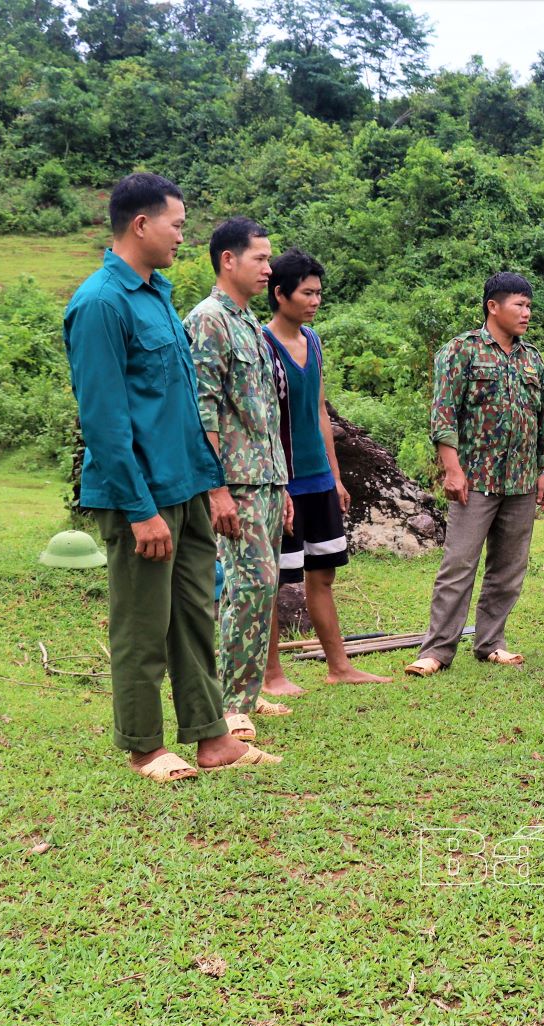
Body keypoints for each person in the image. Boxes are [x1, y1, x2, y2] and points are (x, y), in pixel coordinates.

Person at [63, 173, 278, 781]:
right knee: (142, 624)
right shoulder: (101, 303)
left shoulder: (156, 294)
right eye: (177, 225)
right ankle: (144, 746)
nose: (184, 236)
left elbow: (185, 404)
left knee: (193, 617)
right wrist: (139, 510)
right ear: (141, 225)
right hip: (143, 497)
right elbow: (104, 421)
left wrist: (212, 485)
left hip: (186, 488)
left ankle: (212, 738)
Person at [405, 273, 544, 675]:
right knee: (459, 564)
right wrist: (451, 470)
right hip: (476, 479)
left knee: (508, 567)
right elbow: (444, 413)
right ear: (493, 306)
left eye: (528, 305)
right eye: (519, 305)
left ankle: (491, 641)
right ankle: (436, 650)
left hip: (521, 480)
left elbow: (542, 419)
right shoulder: (461, 350)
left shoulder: (532, 358)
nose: (526, 312)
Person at [260, 249, 392, 691]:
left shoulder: (313, 340)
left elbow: (319, 411)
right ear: (280, 294)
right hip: (281, 481)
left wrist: (335, 476)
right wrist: (275, 484)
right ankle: (272, 673)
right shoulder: (261, 344)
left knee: (324, 574)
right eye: (307, 292)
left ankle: (340, 667)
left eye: (319, 293)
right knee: (276, 580)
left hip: (317, 477)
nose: (315, 300)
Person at [184, 217, 291, 743]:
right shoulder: (208, 320)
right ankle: (229, 704)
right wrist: (216, 487)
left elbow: (264, 413)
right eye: (259, 259)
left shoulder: (247, 322)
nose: (268, 269)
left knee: (261, 586)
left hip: (265, 479)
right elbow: (201, 410)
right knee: (248, 586)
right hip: (236, 482)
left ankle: (244, 692)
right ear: (228, 260)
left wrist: (282, 484)